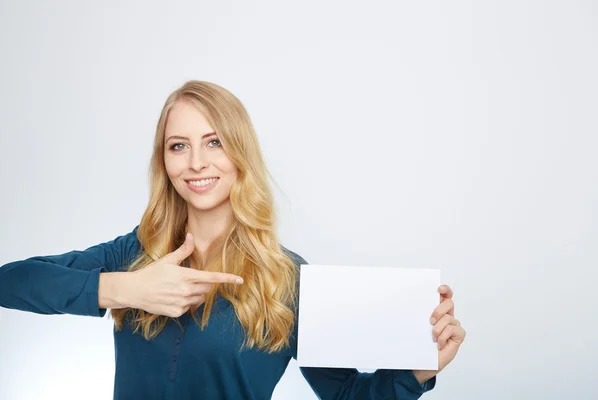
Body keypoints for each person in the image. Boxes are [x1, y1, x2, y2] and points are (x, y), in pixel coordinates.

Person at [0, 80, 466, 399]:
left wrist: (419, 371)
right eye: (178, 145)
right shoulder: (134, 252)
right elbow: (12, 282)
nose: (197, 162)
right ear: (164, 162)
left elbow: (345, 393)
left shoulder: (288, 279)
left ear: (240, 152)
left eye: (215, 142)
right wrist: (124, 288)